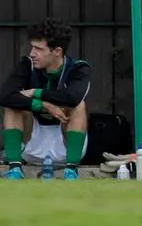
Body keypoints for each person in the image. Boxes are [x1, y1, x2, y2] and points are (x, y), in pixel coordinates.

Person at [0, 19, 89, 180]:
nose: (32, 53)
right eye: (32, 47)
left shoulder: (78, 68)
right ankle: (14, 168)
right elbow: (4, 95)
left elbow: (73, 97)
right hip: (31, 144)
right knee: (11, 105)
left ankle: (71, 170)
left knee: (79, 105)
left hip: (65, 145)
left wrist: (35, 92)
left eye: (39, 49)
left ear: (57, 51)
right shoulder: (27, 65)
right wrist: (43, 106)